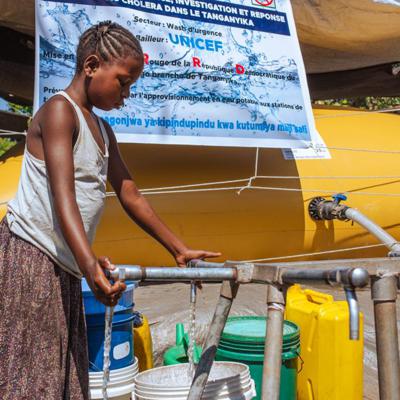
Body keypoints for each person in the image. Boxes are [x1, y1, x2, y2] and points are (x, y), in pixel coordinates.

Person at [0, 21, 220, 399]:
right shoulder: (59, 112)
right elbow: (63, 197)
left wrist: (178, 248)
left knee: (65, 377)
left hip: (65, 265)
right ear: (91, 66)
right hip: (31, 258)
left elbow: (130, 193)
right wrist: (89, 265)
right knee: (32, 378)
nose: (127, 94)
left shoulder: (103, 131)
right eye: (123, 82)